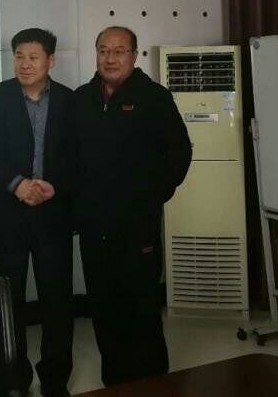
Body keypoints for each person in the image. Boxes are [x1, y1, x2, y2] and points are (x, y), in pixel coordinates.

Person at [73, 26, 192, 387]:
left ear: (134, 56)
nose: (110, 58)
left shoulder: (154, 97)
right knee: (103, 307)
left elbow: (179, 154)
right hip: (94, 227)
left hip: (138, 225)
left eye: (119, 51)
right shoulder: (82, 98)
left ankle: (153, 384)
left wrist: (151, 196)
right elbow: (68, 157)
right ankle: (115, 382)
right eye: (103, 50)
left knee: (141, 307)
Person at [0, 28, 75, 397]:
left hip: (52, 214)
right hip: (3, 215)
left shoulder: (69, 101)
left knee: (57, 300)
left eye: (33, 57)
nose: (24, 64)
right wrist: (17, 184)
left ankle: (55, 379)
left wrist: (54, 185)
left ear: (50, 61)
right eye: (18, 56)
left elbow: (78, 155)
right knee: (6, 302)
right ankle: (13, 378)